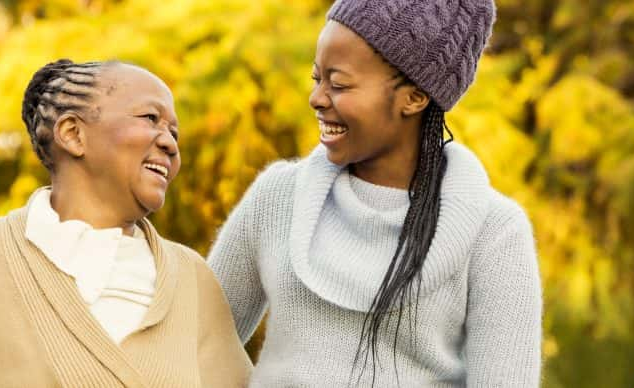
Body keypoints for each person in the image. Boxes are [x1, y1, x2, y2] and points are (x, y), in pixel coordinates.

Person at [208, 1, 542, 386]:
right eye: (317, 78)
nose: (316, 98)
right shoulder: (279, 197)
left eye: (339, 84)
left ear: (414, 97)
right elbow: (193, 344)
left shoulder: (494, 232)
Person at [0, 59, 251, 387]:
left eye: (174, 132)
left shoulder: (192, 281)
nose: (169, 142)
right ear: (73, 133)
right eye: (151, 118)